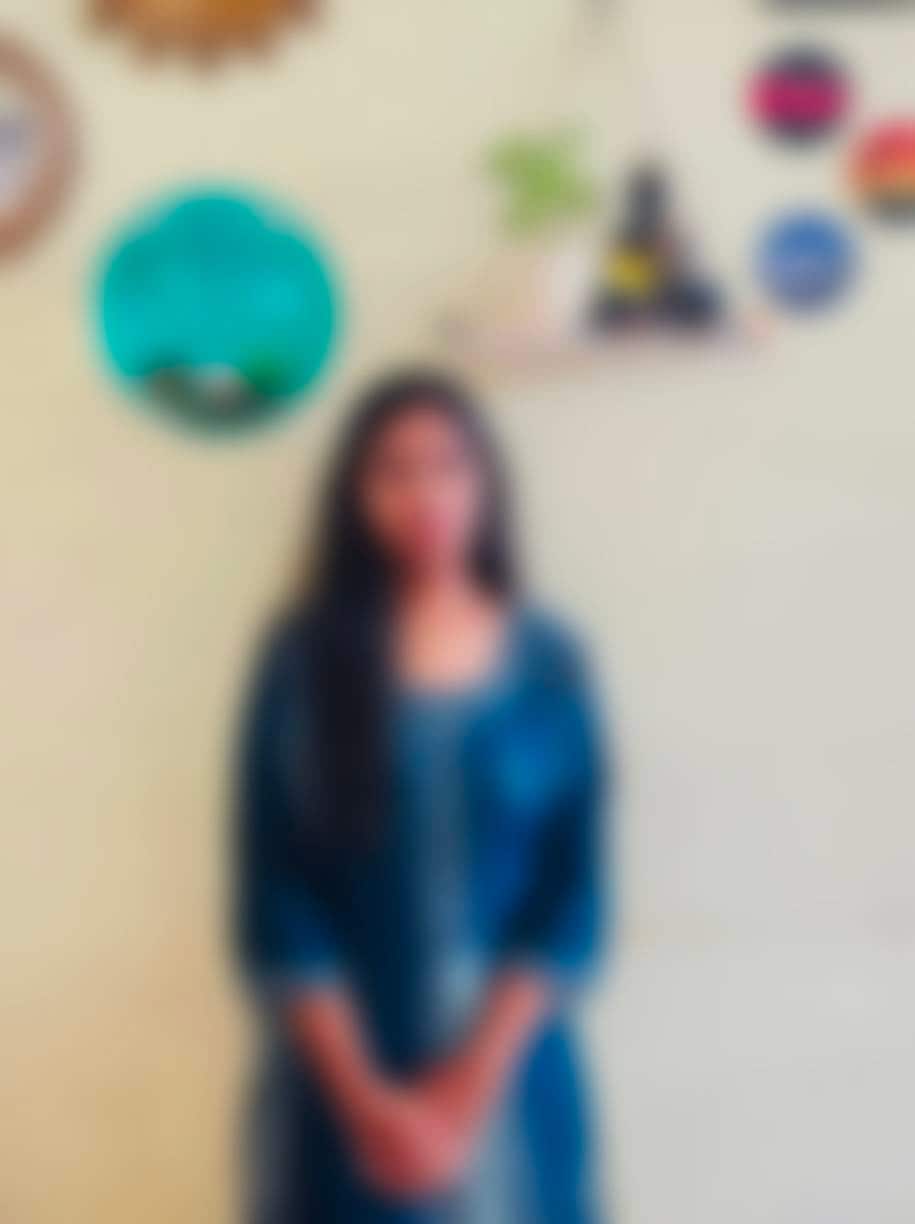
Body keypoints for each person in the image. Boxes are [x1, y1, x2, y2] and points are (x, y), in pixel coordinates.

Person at [234, 370, 612, 1222]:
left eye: (448, 465)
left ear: (485, 483)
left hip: (514, 1093)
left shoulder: (549, 664)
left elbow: (571, 898)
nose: (425, 494)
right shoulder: (300, 664)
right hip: (339, 1097)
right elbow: (276, 897)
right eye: (393, 471)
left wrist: (464, 1094)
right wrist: (368, 1105)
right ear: (354, 494)